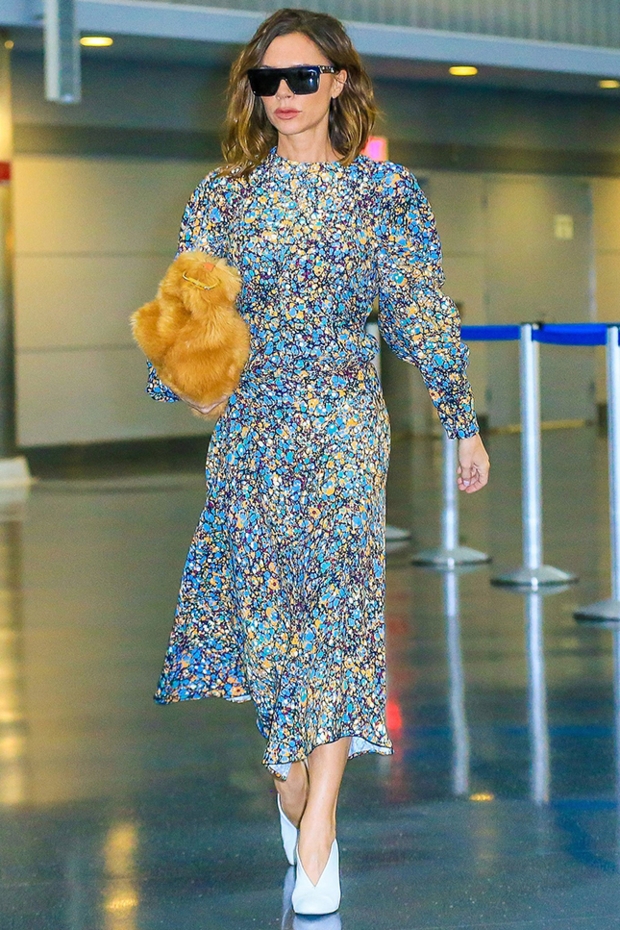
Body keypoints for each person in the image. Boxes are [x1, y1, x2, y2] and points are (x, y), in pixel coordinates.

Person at [146, 6, 490, 916]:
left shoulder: (385, 193)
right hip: (253, 433)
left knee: (336, 619)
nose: (285, 94)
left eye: (303, 76)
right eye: (268, 79)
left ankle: (322, 821)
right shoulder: (224, 195)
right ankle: (288, 777)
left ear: (338, 81)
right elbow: (187, 318)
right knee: (267, 619)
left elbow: (422, 310)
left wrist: (461, 419)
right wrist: (191, 381)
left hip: (344, 430)